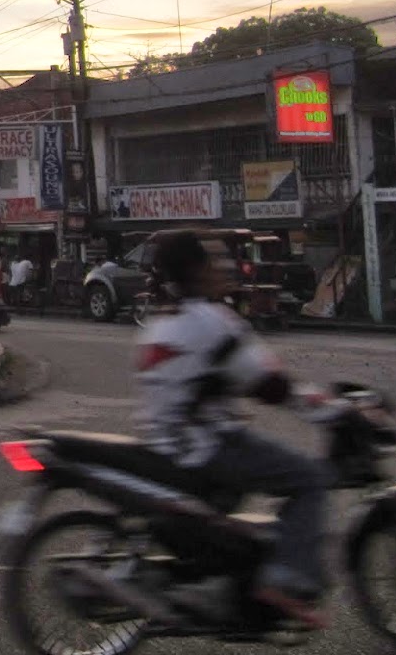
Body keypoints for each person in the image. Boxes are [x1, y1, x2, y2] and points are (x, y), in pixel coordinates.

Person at [134, 230, 334, 629]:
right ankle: (283, 578)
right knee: (309, 478)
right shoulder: (213, 323)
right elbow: (270, 384)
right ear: (197, 269)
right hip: (208, 448)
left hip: (166, 444)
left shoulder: (158, 323)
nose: (225, 267)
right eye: (215, 259)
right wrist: (329, 409)